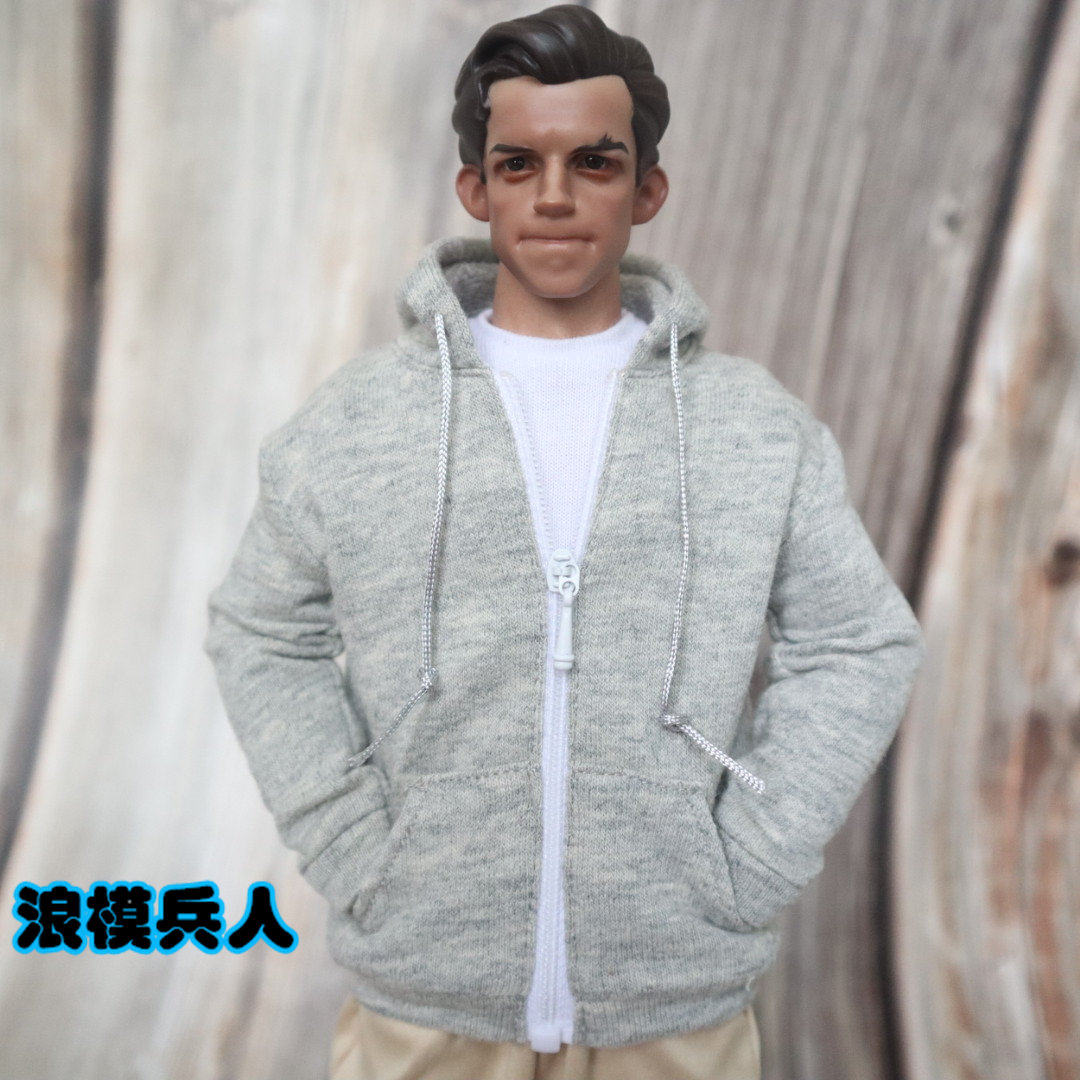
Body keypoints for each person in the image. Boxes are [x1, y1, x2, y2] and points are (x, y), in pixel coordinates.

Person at [202, 6, 926, 1078]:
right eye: (518, 163)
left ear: (647, 190)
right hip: (425, 1005)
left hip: (674, 1011)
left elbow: (860, 641)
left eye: (594, 162)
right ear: (475, 188)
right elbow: (261, 629)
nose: (553, 195)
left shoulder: (753, 429)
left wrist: (751, 860)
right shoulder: (356, 425)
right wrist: (356, 849)